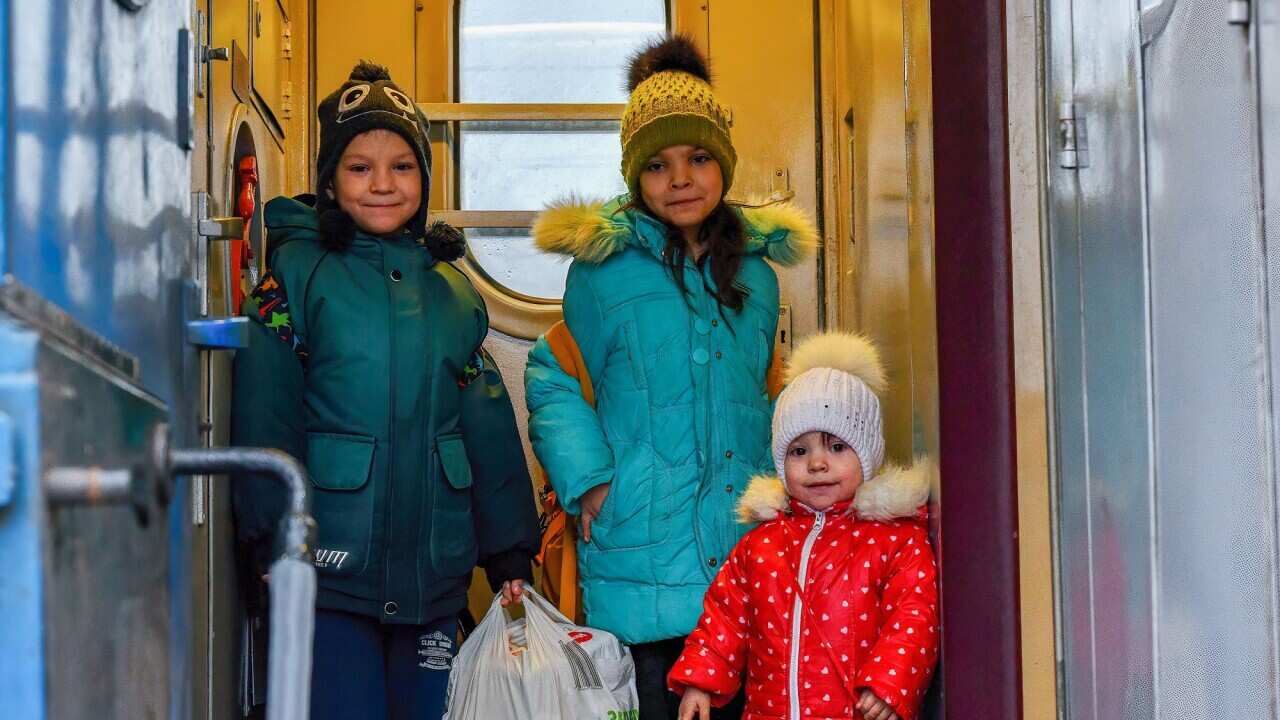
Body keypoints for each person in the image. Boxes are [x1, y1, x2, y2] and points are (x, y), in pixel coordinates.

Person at [229, 61, 539, 720]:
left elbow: (483, 420)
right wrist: (267, 535)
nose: (382, 184)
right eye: (360, 167)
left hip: (434, 574)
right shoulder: (294, 276)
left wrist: (508, 546)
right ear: (331, 182)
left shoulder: (452, 290)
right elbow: (266, 408)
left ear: (425, 181)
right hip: (326, 571)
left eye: (402, 166)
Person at [524, 35, 817, 719]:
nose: (679, 178)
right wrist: (590, 476)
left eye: (698, 158)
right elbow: (553, 370)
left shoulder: (756, 277)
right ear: (634, 175)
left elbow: (765, 388)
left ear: (725, 164)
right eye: (656, 165)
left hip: (741, 543)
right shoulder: (602, 273)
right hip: (639, 544)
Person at [667, 332, 939, 720]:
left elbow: (913, 615)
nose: (816, 464)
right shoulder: (760, 545)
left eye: (837, 447)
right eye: (799, 451)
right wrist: (700, 681)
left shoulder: (895, 540)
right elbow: (725, 617)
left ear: (868, 454)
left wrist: (890, 684)